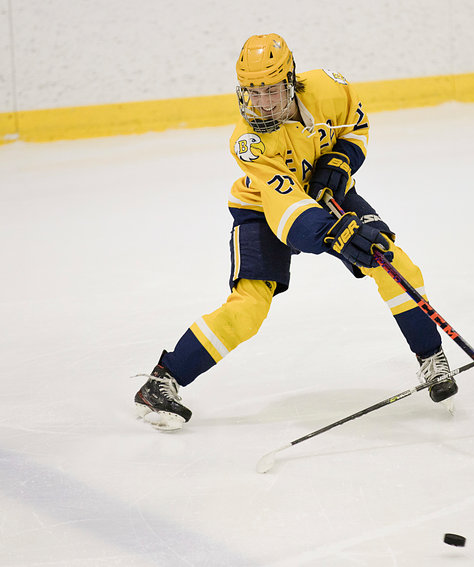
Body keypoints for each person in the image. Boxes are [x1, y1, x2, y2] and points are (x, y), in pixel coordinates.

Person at [134, 33, 457, 430]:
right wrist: (338, 235)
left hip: (326, 195)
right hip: (263, 211)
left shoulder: (330, 88)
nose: (263, 103)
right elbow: (288, 215)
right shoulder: (248, 142)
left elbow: (356, 127)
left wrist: (339, 163)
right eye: (252, 93)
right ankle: (162, 380)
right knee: (250, 308)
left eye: (270, 90)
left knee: (392, 261)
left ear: (291, 80)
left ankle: (431, 358)